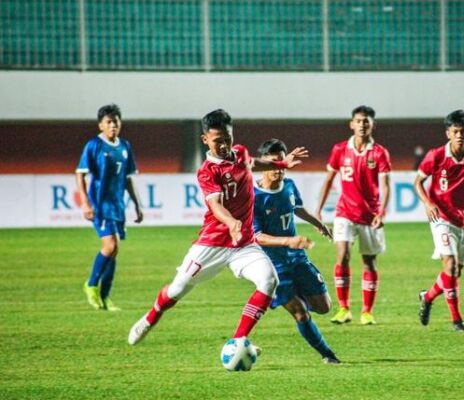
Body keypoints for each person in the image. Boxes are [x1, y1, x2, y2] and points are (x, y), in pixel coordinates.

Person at [127, 110, 308, 368]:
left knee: (269, 280)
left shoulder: (241, 153)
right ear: (205, 140)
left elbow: (254, 164)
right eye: (217, 141)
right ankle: (151, 317)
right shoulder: (206, 171)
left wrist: (282, 164)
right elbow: (215, 206)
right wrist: (232, 221)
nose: (224, 145)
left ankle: (238, 340)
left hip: (243, 244)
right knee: (177, 290)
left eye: (227, 138)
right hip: (212, 244)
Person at [253, 139, 341, 364]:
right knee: (301, 313)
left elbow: (296, 207)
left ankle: (296, 295)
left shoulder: (289, 185)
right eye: (274, 163)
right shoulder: (254, 197)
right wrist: (288, 241)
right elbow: (257, 236)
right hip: (274, 266)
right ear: (263, 164)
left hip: (298, 258)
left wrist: (317, 223)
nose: (279, 168)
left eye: (282, 163)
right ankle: (328, 354)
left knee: (325, 307)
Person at [414, 110, 464, 332]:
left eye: (463, 131)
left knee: (455, 272)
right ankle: (457, 320)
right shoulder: (436, 155)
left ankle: (427, 297)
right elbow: (418, 182)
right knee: (449, 263)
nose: (460, 135)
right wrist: (429, 204)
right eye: (455, 131)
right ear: (448, 133)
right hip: (441, 216)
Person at [316, 105, 391, 325]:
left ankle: (367, 311)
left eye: (366, 121)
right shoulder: (340, 149)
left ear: (372, 125)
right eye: (358, 121)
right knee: (342, 255)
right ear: (351, 124)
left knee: (369, 262)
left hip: (369, 215)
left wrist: (382, 211)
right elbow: (329, 180)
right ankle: (344, 308)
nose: (362, 125)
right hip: (344, 211)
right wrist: (318, 210)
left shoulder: (379, 153)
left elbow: (386, 185)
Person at [76, 104, 143, 311]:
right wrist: (85, 202)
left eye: (116, 121)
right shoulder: (94, 145)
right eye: (108, 122)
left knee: (115, 251)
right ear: (101, 125)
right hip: (100, 204)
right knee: (110, 246)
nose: (113, 125)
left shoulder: (124, 146)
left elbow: (129, 179)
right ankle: (91, 284)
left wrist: (137, 205)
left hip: (117, 205)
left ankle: (105, 297)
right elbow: (80, 173)